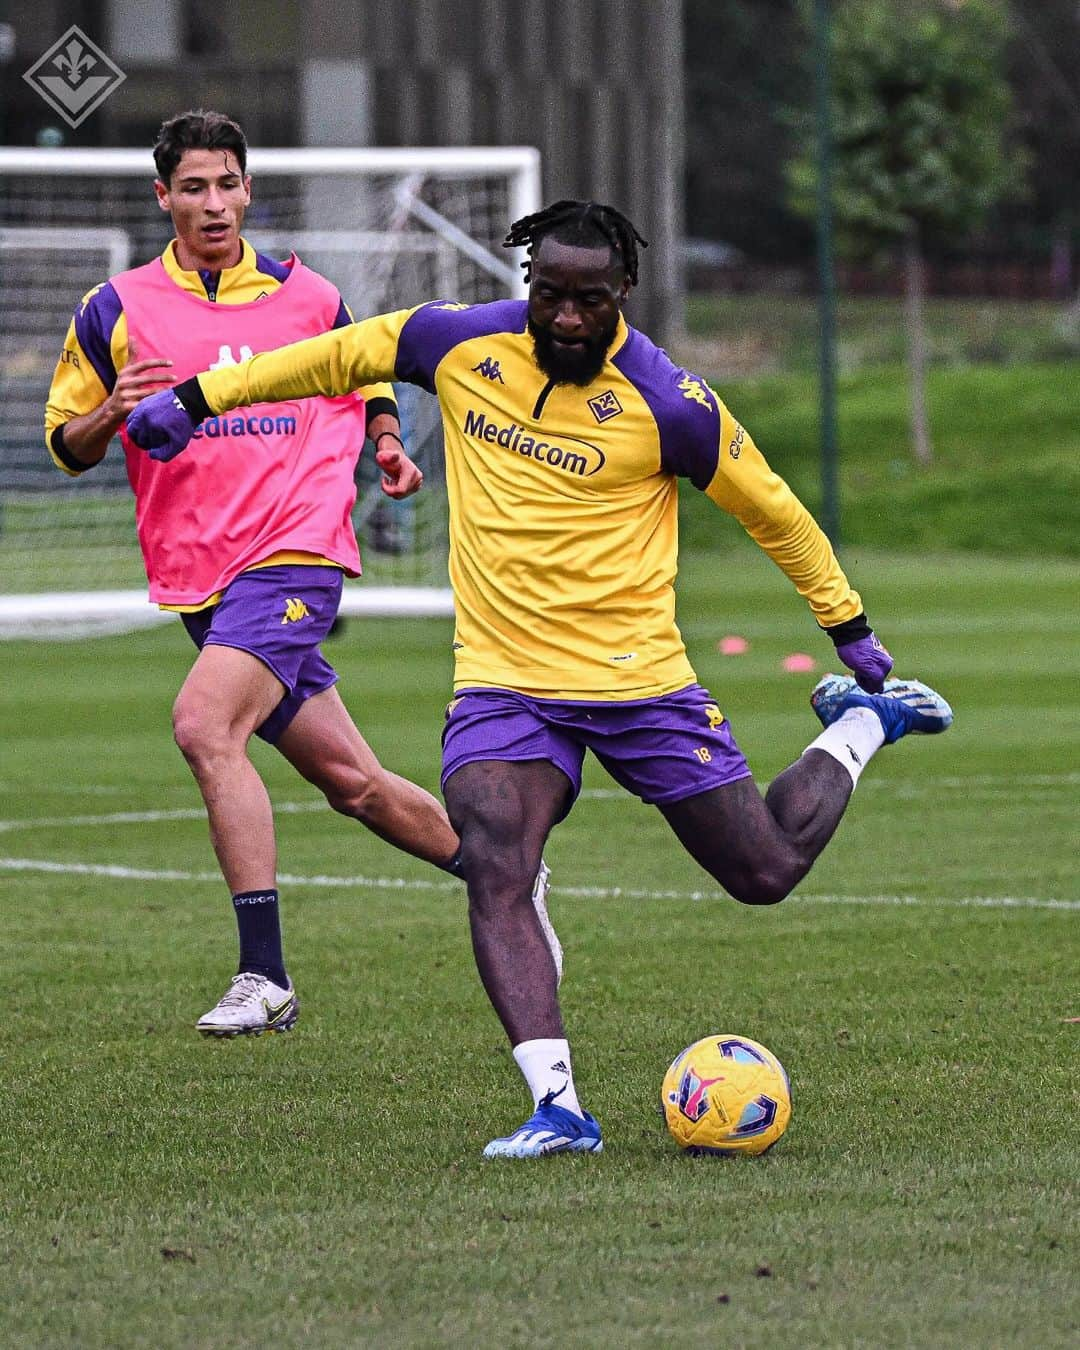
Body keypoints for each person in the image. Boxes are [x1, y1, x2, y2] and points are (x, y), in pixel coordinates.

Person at [128, 199, 953, 1153]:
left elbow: (777, 513)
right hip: (505, 683)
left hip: (639, 681)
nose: (564, 316)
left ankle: (857, 727)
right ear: (530, 283)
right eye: (549, 294)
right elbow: (335, 356)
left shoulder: (670, 403)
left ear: (625, 296)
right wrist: (196, 400)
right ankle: (556, 1105)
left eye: (588, 300)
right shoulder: (458, 344)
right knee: (493, 856)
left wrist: (849, 630)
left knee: (763, 871)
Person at [45, 109, 560, 1039]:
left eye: (227, 184)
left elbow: (366, 379)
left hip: (295, 553)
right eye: (192, 187)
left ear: (249, 190)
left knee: (203, 725)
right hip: (203, 581)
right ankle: (504, 873)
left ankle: (264, 975)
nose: (213, 203)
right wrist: (111, 413)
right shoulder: (113, 310)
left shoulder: (310, 297)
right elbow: (67, 445)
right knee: (354, 784)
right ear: (163, 196)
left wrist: (393, 443)